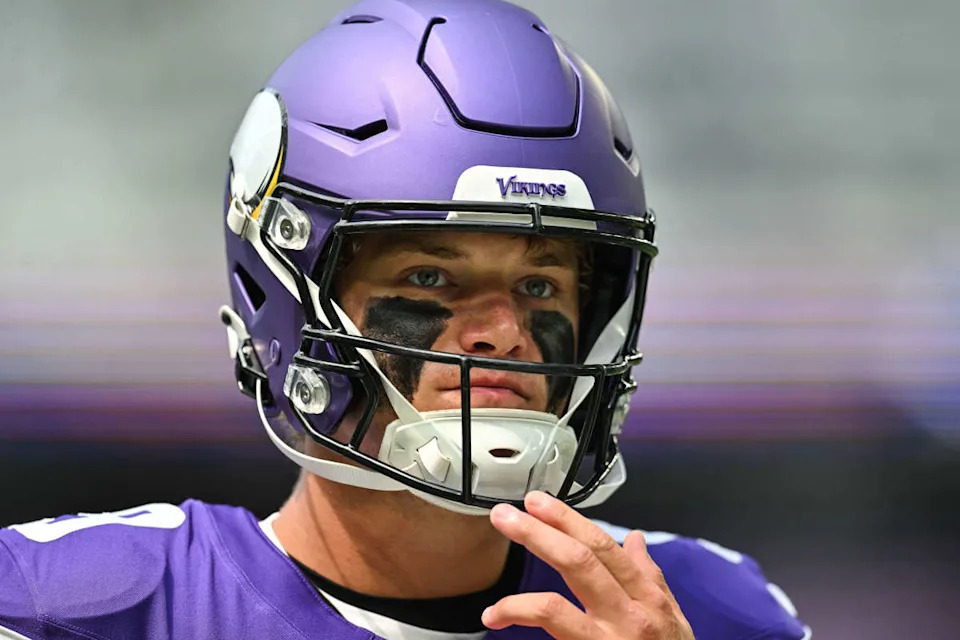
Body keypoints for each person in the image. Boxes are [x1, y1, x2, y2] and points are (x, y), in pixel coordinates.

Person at [0, 1, 811, 638]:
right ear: (284, 295)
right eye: (430, 277)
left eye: (540, 287)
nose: (504, 333)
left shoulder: (709, 610)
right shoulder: (70, 607)